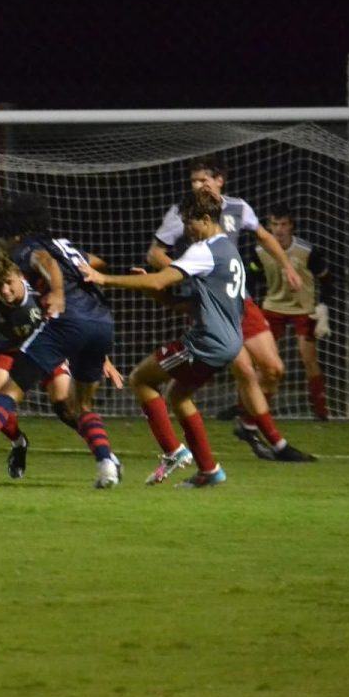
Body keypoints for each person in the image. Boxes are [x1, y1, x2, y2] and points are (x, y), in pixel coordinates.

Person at [0, 191, 123, 489]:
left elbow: (43, 262)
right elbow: (95, 263)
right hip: (102, 323)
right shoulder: (62, 244)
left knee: (10, 391)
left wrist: (56, 291)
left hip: (66, 322)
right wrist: (110, 274)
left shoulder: (25, 249)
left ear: (9, 232)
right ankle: (107, 463)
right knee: (82, 404)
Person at [148, 158, 314, 462]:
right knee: (246, 371)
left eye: (203, 180)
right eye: (194, 181)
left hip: (241, 299)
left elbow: (263, 236)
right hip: (211, 306)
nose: (198, 186)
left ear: (219, 180)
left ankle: (248, 424)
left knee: (275, 369)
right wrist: (184, 272)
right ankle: (277, 444)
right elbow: (155, 252)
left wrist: (288, 266)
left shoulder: (238, 208)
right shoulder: (182, 213)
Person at [82, 190, 244, 487]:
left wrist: (104, 279)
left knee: (140, 379)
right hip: (231, 342)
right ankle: (210, 470)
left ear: (206, 219)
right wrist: (152, 291)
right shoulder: (229, 252)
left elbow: (159, 278)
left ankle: (173, 451)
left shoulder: (204, 251)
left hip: (207, 342)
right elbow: (181, 304)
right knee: (179, 396)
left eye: (189, 223)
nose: (187, 231)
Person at [256, 203, 333, 420]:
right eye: (274, 224)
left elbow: (327, 280)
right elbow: (250, 277)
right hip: (273, 307)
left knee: (308, 356)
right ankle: (255, 409)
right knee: (264, 360)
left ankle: (321, 412)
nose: (279, 229)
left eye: (283, 224)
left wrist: (323, 306)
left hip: (303, 308)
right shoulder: (260, 251)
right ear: (269, 226)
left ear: (291, 226)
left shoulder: (307, 251)